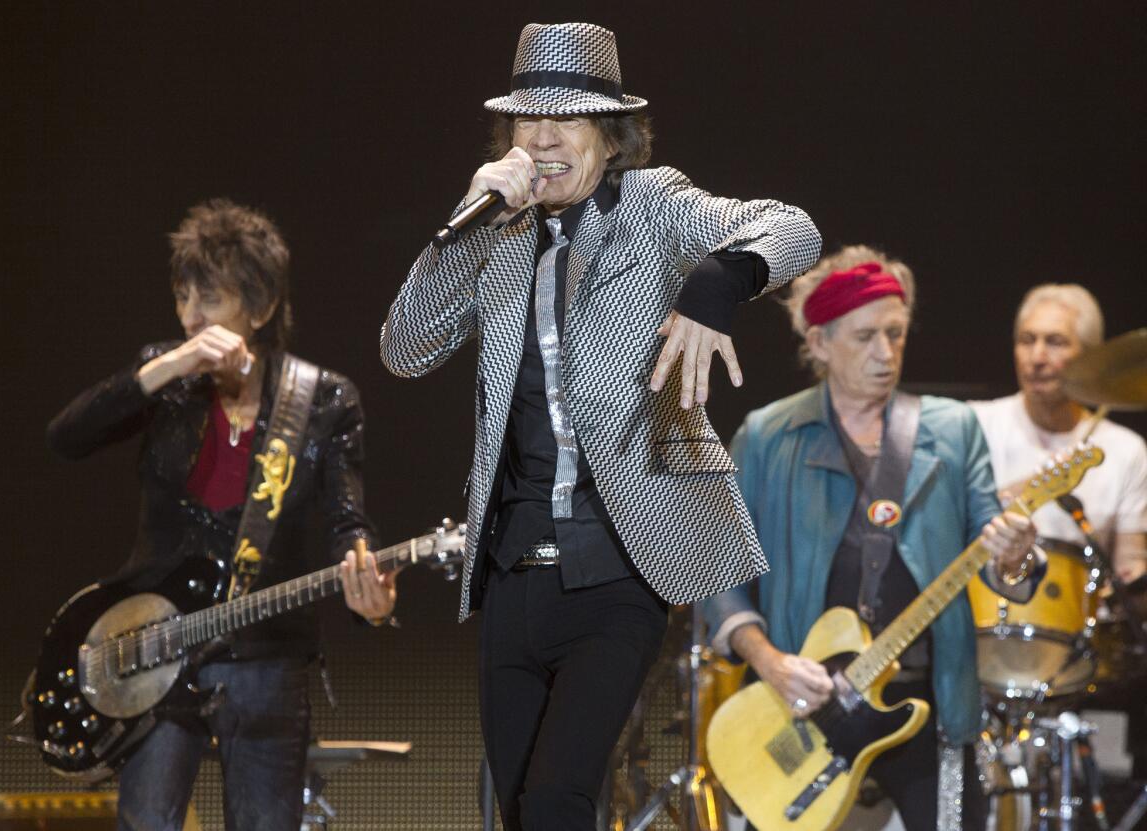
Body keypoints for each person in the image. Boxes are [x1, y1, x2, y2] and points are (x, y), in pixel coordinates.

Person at [380, 22, 820, 831]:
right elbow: (404, 348)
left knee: (558, 798)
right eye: (526, 121)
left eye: (566, 121)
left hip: (617, 569)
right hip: (512, 571)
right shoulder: (498, 231)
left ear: (610, 138)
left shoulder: (653, 206)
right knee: (517, 809)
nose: (542, 140)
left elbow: (793, 227)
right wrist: (470, 214)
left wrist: (715, 284)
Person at [47, 199, 395, 831]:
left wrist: (368, 592)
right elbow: (66, 437)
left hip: (264, 651)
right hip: (154, 650)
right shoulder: (168, 377)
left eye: (209, 300)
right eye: (182, 298)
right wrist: (166, 367)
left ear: (259, 309)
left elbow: (349, 520)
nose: (189, 318)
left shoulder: (322, 398)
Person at [704, 246, 1040, 830]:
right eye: (864, 337)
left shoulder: (954, 429)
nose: (886, 354)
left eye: (896, 334)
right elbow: (717, 570)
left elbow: (1000, 557)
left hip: (927, 701)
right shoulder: (767, 436)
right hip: (802, 706)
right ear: (819, 344)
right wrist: (771, 661)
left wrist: (1014, 555)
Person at [970, 283, 1147, 582]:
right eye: (1027, 340)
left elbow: (1130, 566)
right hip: (983, 614)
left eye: (1055, 342)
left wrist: (1135, 577)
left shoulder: (1125, 450)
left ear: (1091, 357)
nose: (1037, 357)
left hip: (1080, 621)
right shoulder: (974, 424)